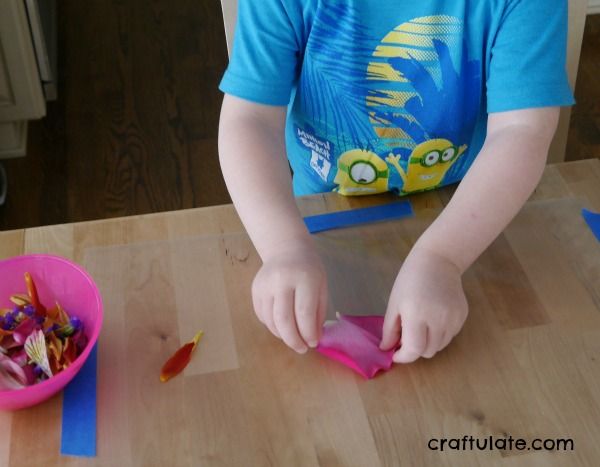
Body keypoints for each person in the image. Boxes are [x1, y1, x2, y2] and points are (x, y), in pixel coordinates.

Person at [218, 0, 574, 363]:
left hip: (469, 209)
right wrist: (283, 247)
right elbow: (250, 121)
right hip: (322, 213)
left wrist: (443, 257)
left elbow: (521, 131)